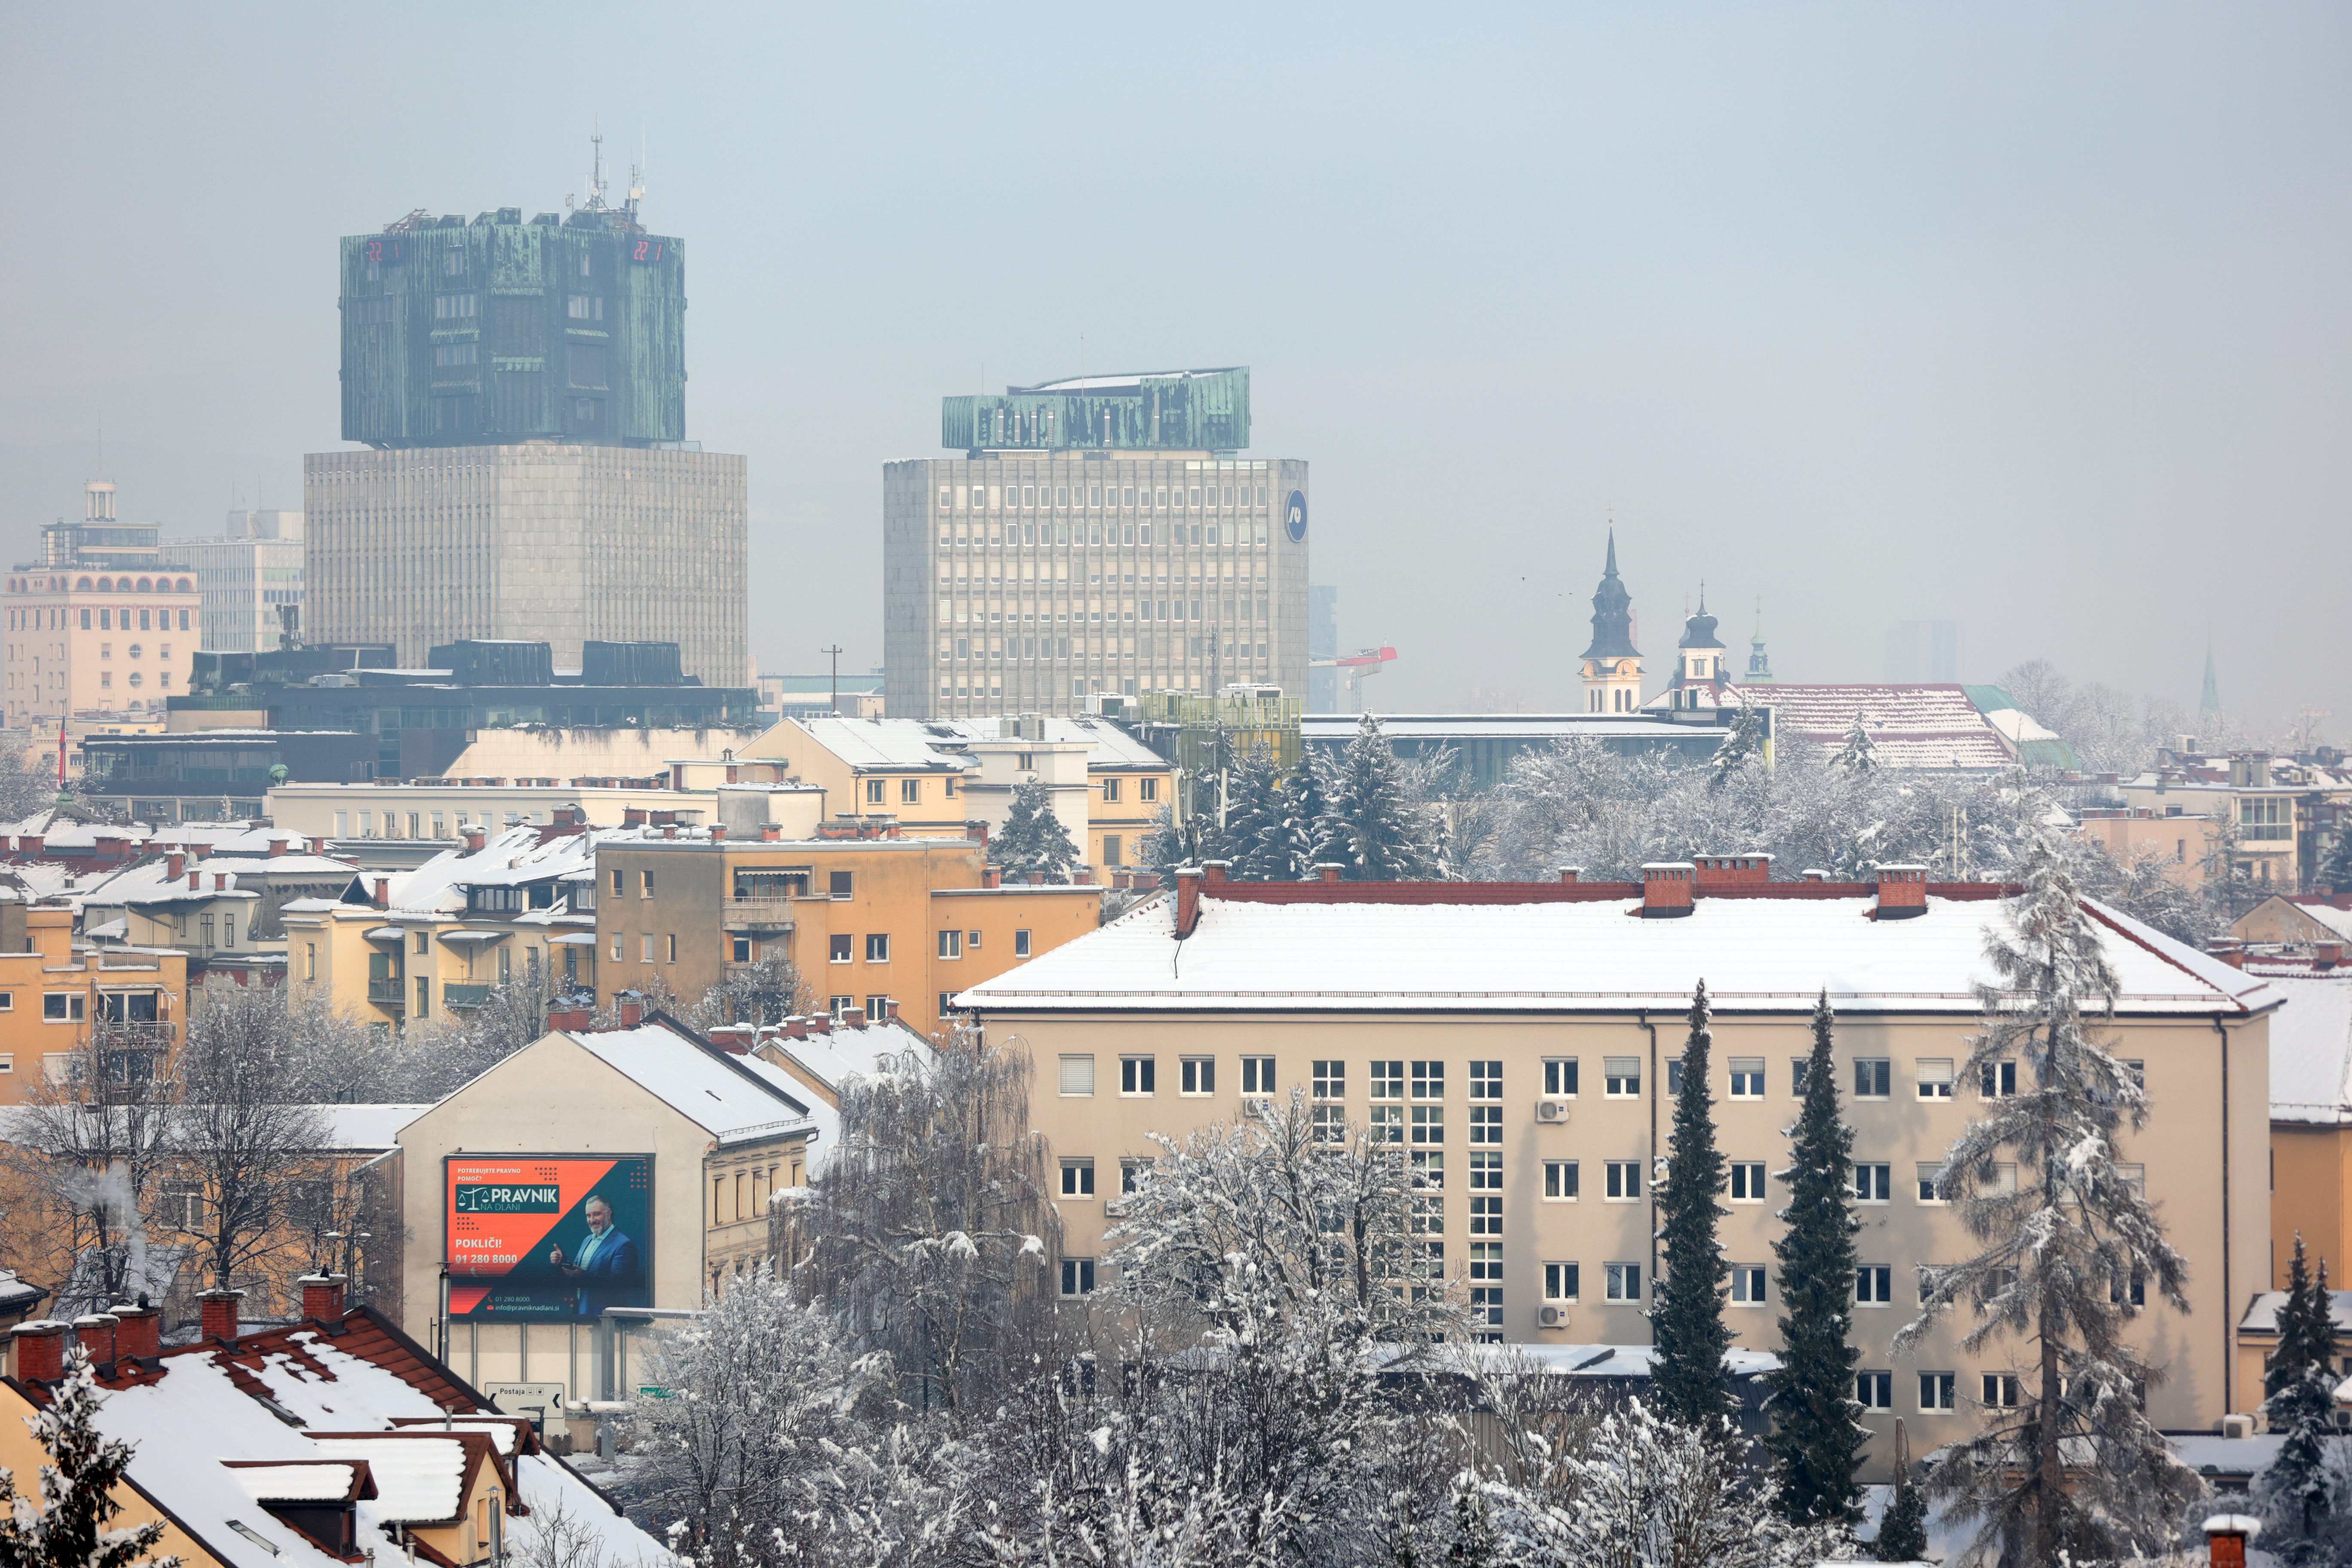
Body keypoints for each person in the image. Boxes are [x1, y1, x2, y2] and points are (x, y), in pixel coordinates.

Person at [547, 1194, 642, 1316]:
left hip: (605, 1318)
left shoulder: (624, 1245)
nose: (592, 1220)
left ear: (609, 1214)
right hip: (581, 1314)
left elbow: (617, 1285)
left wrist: (582, 1275)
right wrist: (562, 1262)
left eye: (597, 1214)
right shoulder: (588, 1240)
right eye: (589, 1216)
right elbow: (577, 1270)